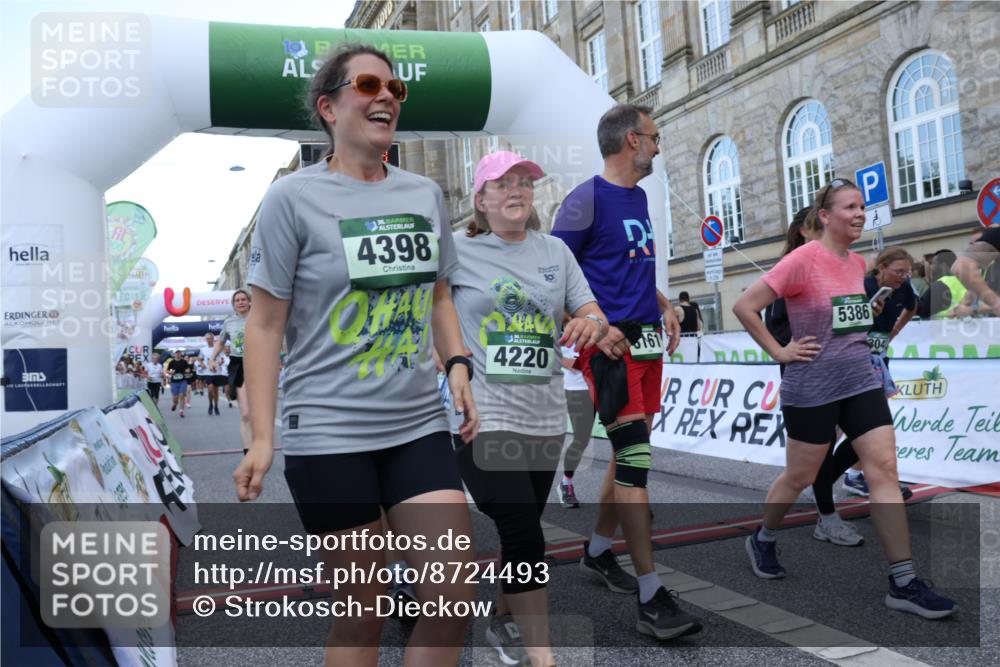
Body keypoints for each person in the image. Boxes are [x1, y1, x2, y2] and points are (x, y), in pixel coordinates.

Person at [235, 43, 480, 667]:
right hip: (328, 432)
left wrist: (456, 365)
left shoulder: (424, 194)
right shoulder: (292, 199)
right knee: (361, 617)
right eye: (369, 85)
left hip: (415, 425)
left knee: (452, 601)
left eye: (396, 90)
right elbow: (263, 327)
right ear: (328, 106)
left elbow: (441, 295)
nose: (386, 97)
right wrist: (260, 438)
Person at [732, 178, 956, 619]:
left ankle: (904, 581)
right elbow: (745, 306)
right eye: (851, 207)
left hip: (859, 380)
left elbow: (841, 317)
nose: (859, 214)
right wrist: (779, 351)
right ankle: (763, 536)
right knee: (800, 476)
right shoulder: (801, 260)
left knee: (884, 468)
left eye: (862, 207)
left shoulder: (857, 263)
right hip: (812, 386)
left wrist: (864, 315)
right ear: (826, 216)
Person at [450, 150, 607, 667]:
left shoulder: (555, 251)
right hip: (483, 415)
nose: (517, 191)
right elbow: (424, 310)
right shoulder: (454, 251)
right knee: (523, 529)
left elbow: (588, 308)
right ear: (481, 199)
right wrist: (444, 360)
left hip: (543, 415)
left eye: (525, 183)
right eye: (503, 184)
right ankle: (543, 657)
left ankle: (502, 615)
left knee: (523, 529)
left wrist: (591, 322)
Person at [551, 103, 701, 640]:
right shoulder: (583, 201)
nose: (659, 147)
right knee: (636, 458)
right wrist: (587, 328)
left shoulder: (637, 197)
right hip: (608, 347)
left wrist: (661, 302)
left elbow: (629, 263)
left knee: (627, 452)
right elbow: (551, 279)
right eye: (655, 138)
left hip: (646, 340)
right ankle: (651, 594)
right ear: (630, 140)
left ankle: (595, 551)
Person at [811, 246, 917, 528]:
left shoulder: (903, 287)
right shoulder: (861, 285)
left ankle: (835, 479)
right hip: (850, 362)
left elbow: (912, 307)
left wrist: (893, 331)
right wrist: (867, 316)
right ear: (880, 267)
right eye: (898, 271)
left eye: (907, 271)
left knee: (871, 431)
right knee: (839, 431)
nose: (904, 277)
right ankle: (823, 484)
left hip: (877, 362)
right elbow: (839, 326)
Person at [558, 334, 595, 509]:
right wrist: (582, 362)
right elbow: (558, 357)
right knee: (582, 439)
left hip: (602, 386)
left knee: (622, 439)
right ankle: (566, 483)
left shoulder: (598, 317)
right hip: (578, 389)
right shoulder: (560, 324)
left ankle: (629, 493)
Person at [210, 289, 251, 449]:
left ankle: (261, 446)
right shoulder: (229, 322)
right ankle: (248, 451)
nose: (240, 302)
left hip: (258, 363)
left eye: (243, 299)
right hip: (238, 364)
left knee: (261, 413)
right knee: (246, 413)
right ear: (233, 304)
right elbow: (221, 342)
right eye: (237, 300)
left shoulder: (259, 317)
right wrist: (212, 359)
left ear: (249, 301)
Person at [950, 225, 1000, 317]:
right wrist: (962, 306)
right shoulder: (987, 269)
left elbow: (961, 266)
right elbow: (973, 290)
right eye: (971, 245)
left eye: (977, 243)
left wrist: (972, 310)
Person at [916, 250, 960, 319]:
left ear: (943, 265)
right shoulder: (965, 281)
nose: (931, 267)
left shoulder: (940, 285)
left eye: (933, 263)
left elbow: (923, 310)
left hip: (943, 326)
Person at [200, 333, 222, 415]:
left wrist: (220, 363)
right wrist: (201, 363)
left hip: (217, 372)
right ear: (206, 340)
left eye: (210, 338)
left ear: (213, 339)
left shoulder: (217, 348)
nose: (209, 340)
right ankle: (210, 404)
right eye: (207, 338)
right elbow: (200, 358)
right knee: (210, 389)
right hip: (208, 372)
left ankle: (216, 406)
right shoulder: (203, 349)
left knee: (216, 391)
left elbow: (221, 359)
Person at [167, 349, 190, 418]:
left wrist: (187, 371)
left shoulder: (184, 362)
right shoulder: (171, 362)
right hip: (174, 382)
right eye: (176, 353)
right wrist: (170, 372)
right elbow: (167, 370)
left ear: (181, 354)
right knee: (175, 397)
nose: (178, 354)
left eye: (179, 353)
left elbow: (188, 369)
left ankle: (181, 411)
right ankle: (175, 403)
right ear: (174, 354)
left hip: (182, 381)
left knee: (182, 395)